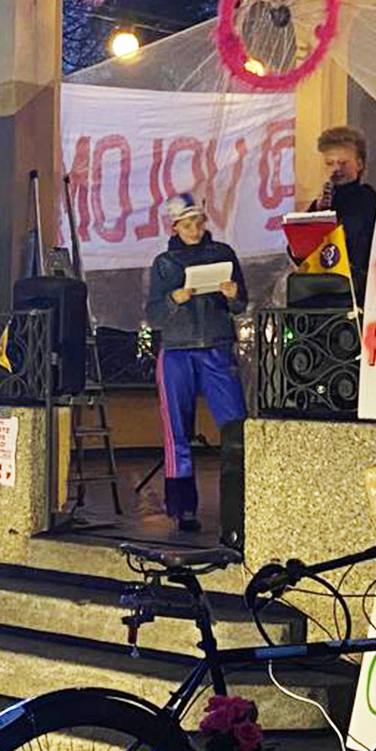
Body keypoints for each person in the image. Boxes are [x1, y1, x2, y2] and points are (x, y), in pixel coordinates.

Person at [145, 194, 248, 542]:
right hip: (177, 351)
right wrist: (174, 299)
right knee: (177, 434)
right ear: (173, 226)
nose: (194, 229)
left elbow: (240, 303)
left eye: (198, 222)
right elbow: (153, 314)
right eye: (186, 224)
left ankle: (239, 504)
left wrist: (232, 295)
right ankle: (183, 509)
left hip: (217, 348)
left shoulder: (223, 254)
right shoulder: (164, 262)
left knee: (236, 427)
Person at [308, 124, 376, 300]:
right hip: (321, 292)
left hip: (360, 291)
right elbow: (298, 253)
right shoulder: (320, 204)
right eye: (330, 163)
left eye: (342, 163)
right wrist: (318, 214)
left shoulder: (371, 201)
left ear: (360, 164)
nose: (336, 169)